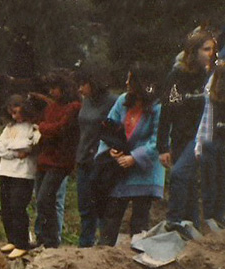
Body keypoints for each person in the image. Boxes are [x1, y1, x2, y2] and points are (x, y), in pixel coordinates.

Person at [97, 65, 165, 246]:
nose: (126, 83)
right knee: (113, 211)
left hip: (145, 169)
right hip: (121, 167)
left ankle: (138, 253)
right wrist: (110, 149)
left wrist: (134, 157)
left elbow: (159, 139)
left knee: (140, 216)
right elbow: (109, 127)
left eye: (131, 79)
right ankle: (103, 251)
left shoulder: (158, 107)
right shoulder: (122, 101)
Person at [160, 29, 215, 228]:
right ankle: (191, 229)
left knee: (179, 175)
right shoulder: (177, 75)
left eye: (212, 49)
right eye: (206, 49)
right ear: (194, 51)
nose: (210, 54)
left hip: (202, 136)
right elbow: (166, 111)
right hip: (180, 137)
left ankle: (173, 221)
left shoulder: (211, 75)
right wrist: (162, 146)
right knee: (189, 185)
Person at [30, 71, 81, 248]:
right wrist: (44, 129)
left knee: (46, 198)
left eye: (54, 88)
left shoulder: (74, 107)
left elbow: (61, 128)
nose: (51, 92)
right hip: (44, 159)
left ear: (64, 88)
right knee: (41, 200)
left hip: (60, 161)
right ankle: (43, 238)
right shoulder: (51, 107)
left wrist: (43, 129)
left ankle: (52, 240)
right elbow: (41, 123)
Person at [74, 66, 119, 247]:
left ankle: (105, 244)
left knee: (102, 205)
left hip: (101, 161)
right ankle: (85, 243)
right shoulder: (86, 101)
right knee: (84, 204)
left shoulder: (112, 102)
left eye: (83, 84)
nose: (80, 89)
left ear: (94, 83)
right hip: (83, 158)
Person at [0, 94, 41, 259]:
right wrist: (14, 153)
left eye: (16, 112)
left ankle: (22, 243)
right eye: (11, 113)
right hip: (5, 171)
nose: (14, 116)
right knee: (6, 207)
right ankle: (12, 239)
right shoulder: (9, 128)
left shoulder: (33, 128)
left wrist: (12, 148)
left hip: (23, 174)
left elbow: (29, 146)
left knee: (17, 206)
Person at [196, 58, 225, 226]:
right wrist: (199, 145)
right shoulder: (210, 93)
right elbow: (205, 120)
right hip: (212, 142)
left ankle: (218, 216)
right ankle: (210, 219)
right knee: (211, 183)